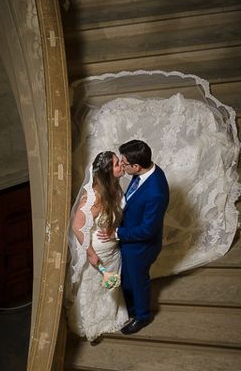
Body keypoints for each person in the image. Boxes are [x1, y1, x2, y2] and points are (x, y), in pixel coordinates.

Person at [98, 139, 169, 335]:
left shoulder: (156, 192)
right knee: (127, 280)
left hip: (141, 246)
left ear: (136, 166)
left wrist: (117, 233)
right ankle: (130, 310)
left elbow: (147, 230)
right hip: (130, 238)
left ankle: (142, 316)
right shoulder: (147, 171)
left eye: (124, 163)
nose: (121, 165)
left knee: (137, 281)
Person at [65, 151, 129, 342]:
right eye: (117, 164)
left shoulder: (116, 188)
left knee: (111, 287)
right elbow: (77, 227)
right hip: (98, 251)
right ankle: (90, 322)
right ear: (109, 172)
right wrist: (91, 254)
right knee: (93, 288)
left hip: (113, 249)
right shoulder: (93, 198)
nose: (121, 166)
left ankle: (111, 316)